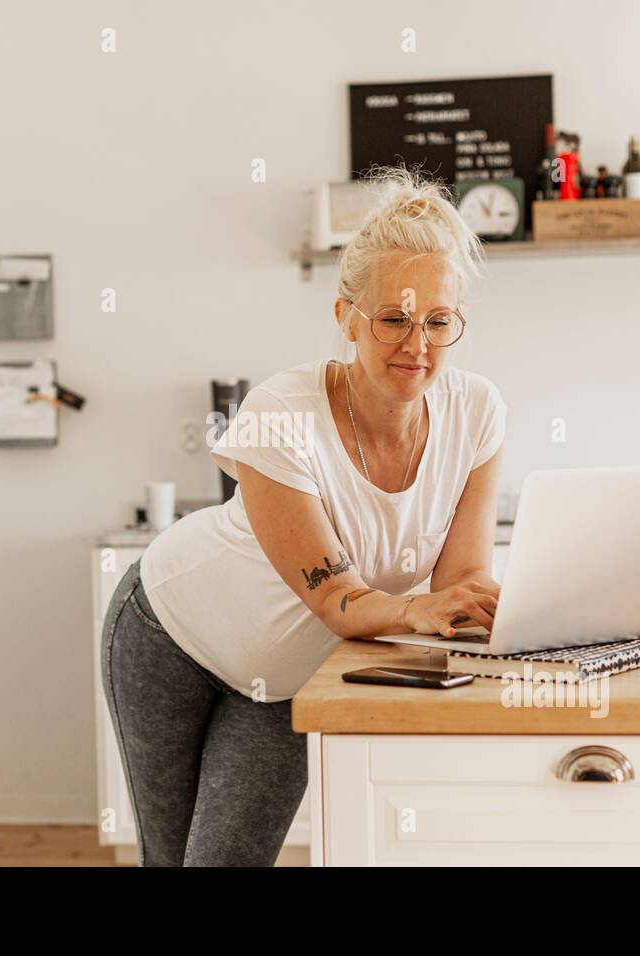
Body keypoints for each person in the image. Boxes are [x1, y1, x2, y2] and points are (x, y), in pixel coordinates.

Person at [100, 166, 507, 866]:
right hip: (168, 631)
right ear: (346, 316)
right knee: (169, 861)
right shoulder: (280, 414)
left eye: (439, 321)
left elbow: (464, 577)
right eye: (394, 319)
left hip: (283, 680)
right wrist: (417, 612)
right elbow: (337, 597)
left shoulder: (476, 413)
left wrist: (511, 615)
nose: (418, 346)